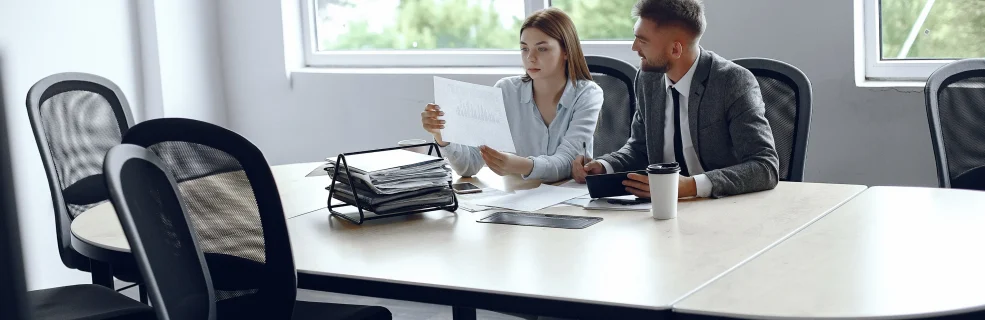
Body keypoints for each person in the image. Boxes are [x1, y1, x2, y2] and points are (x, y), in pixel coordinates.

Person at [572, 0, 779, 198]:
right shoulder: (648, 78)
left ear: (675, 49)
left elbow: (764, 166)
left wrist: (689, 186)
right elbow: (639, 148)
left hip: (723, 207)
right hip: (662, 210)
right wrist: (603, 166)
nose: (634, 47)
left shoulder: (732, 81)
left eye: (643, 40)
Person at [421, 8, 603, 183]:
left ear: (566, 51)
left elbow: (567, 163)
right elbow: (469, 165)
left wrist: (520, 166)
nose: (530, 57)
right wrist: (441, 134)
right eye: (524, 48)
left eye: (542, 49)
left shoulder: (587, 95)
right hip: (518, 201)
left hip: (571, 202)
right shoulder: (506, 91)